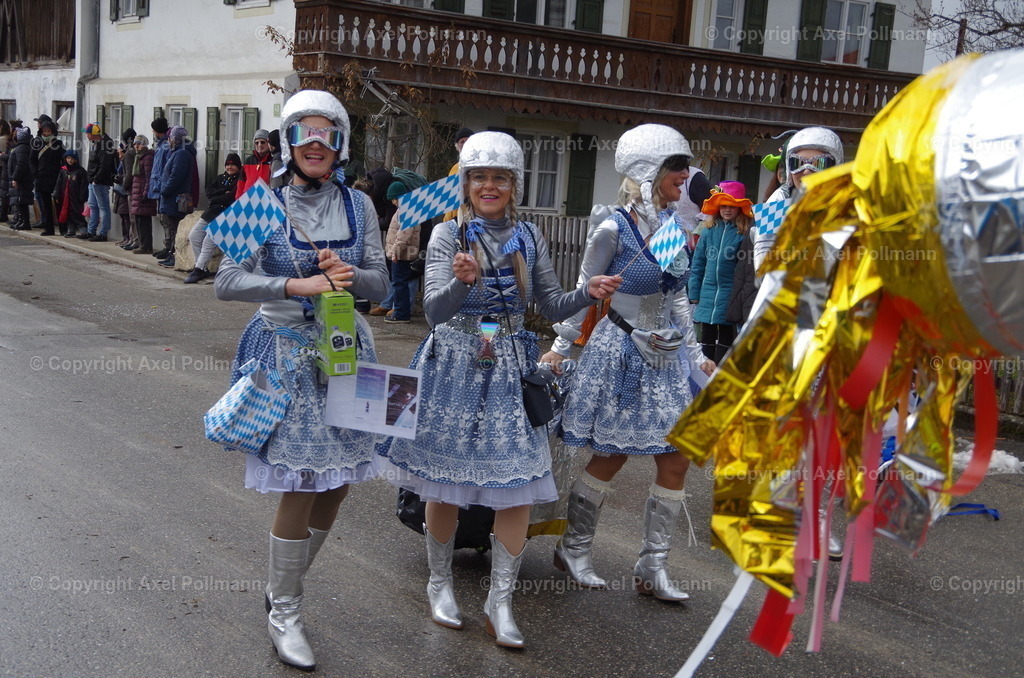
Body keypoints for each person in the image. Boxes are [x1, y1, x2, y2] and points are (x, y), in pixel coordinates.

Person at [377, 131, 620, 649]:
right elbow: (435, 312)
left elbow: (550, 304)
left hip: (510, 366)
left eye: (500, 178)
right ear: (466, 183)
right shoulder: (448, 235)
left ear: (515, 184)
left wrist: (588, 292)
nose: (489, 186)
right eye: (480, 177)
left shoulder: (528, 236)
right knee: (444, 483)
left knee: (516, 487)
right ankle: (440, 584)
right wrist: (462, 282)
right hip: (454, 364)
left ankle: (500, 601)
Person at [214, 90, 389, 672]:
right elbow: (225, 281)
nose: (315, 144)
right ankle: (286, 613)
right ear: (287, 142)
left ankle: (281, 589)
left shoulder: (359, 204)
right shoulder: (261, 201)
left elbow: (381, 285)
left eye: (327, 135)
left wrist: (350, 275)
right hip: (286, 351)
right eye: (304, 133)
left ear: (341, 145)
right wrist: (295, 285)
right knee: (303, 479)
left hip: (346, 350)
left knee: (338, 482)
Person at [540, 123, 715, 601]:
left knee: (676, 456)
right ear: (648, 171)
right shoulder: (612, 227)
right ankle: (573, 547)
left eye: (685, 168)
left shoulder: (674, 227)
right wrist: (561, 345)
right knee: (611, 454)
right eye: (676, 167)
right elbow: (584, 292)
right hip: (619, 352)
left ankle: (652, 566)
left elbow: (677, 299)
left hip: (665, 357)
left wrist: (696, 354)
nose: (686, 176)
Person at [753, 127, 843, 275]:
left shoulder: (852, 208)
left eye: (819, 163)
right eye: (797, 163)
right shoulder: (775, 204)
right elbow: (764, 268)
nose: (806, 171)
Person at [688, 181, 754, 364]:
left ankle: (720, 371)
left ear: (739, 208)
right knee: (706, 335)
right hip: (707, 292)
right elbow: (698, 263)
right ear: (717, 207)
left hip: (730, 293)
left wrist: (741, 297)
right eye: (723, 205)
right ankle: (706, 373)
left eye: (732, 206)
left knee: (726, 334)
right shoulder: (708, 231)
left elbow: (745, 269)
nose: (727, 209)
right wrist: (694, 291)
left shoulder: (744, 233)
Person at [184, 153, 243, 283]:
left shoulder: (239, 179)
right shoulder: (220, 178)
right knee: (194, 236)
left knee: (208, 240)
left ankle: (199, 269)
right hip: (211, 212)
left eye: (233, 165)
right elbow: (208, 192)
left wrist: (217, 196)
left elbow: (230, 198)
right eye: (228, 164)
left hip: (226, 215)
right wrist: (222, 192)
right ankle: (201, 267)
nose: (230, 167)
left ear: (238, 166)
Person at [379, 180, 421, 323]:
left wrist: (395, 252)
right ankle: (400, 311)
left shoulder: (406, 210)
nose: (392, 202)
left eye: (393, 199)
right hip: (402, 253)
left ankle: (401, 313)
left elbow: (403, 235)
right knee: (400, 282)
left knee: (399, 283)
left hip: (401, 254)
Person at [156, 125, 198, 268]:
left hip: (175, 198)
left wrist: (164, 191)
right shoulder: (179, 152)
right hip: (173, 197)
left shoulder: (181, 154)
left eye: (170, 137)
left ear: (175, 139)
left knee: (175, 228)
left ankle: (175, 257)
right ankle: (171, 255)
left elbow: (176, 177)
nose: (169, 140)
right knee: (172, 227)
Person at [80, 122, 116, 242]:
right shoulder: (96, 143)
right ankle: (91, 231)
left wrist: (97, 179)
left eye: (87, 133)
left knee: (103, 207)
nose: (86, 136)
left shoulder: (105, 145)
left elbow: (104, 164)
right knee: (93, 206)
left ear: (92, 134)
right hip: (93, 180)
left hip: (100, 181)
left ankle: (103, 233)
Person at [30, 119, 65, 236]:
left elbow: (64, 160)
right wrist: (35, 173)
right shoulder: (37, 143)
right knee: (45, 205)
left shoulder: (58, 144)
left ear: (53, 132)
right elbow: (32, 160)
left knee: (59, 203)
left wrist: (61, 174)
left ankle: (63, 228)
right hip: (41, 178)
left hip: (55, 178)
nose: (46, 134)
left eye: (48, 131)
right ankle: (48, 228)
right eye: (44, 131)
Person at [127, 135, 158, 253]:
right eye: (135, 144)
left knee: (144, 221)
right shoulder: (139, 157)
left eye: (138, 144)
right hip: (137, 191)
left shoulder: (147, 157)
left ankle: (146, 246)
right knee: (139, 220)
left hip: (142, 193)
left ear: (144, 145)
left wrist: (145, 193)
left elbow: (149, 177)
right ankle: (142, 244)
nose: (136, 146)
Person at [52, 150, 89, 238]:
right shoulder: (63, 170)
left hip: (76, 197)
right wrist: (56, 194)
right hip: (65, 197)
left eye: (72, 158)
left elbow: (84, 185)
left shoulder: (80, 171)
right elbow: (59, 183)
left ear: (76, 159)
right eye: (68, 158)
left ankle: (83, 229)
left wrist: (83, 196)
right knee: (68, 213)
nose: (70, 160)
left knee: (78, 213)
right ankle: (71, 229)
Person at [442, 126, 474, 222]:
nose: (465, 144)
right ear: (457, 146)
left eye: (468, 141)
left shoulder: (479, 167)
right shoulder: (455, 168)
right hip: (452, 219)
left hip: (469, 218)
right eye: (462, 142)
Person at [7, 127, 35, 230]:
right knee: (19, 201)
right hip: (22, 178)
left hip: (22, 179)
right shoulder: (22, 147)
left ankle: (25, 222)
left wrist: (15, 178)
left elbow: (21, 164)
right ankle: (21, 220)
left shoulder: (22, 148)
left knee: (22, 200)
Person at [235, 128, 273, 198]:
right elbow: (241, 182)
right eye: (256, 142)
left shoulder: (273, 160)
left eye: (262, 142)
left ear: (268, 143)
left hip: (265, 199)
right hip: (247, 198)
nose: (259, 145)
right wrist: (238, 199)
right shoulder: (248, 161)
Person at [0, 120, 13, 224]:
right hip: (7, 167)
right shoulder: (9, 139)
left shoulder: (2, 140)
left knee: (4, 192)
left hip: (3, 167)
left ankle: (3, 214)